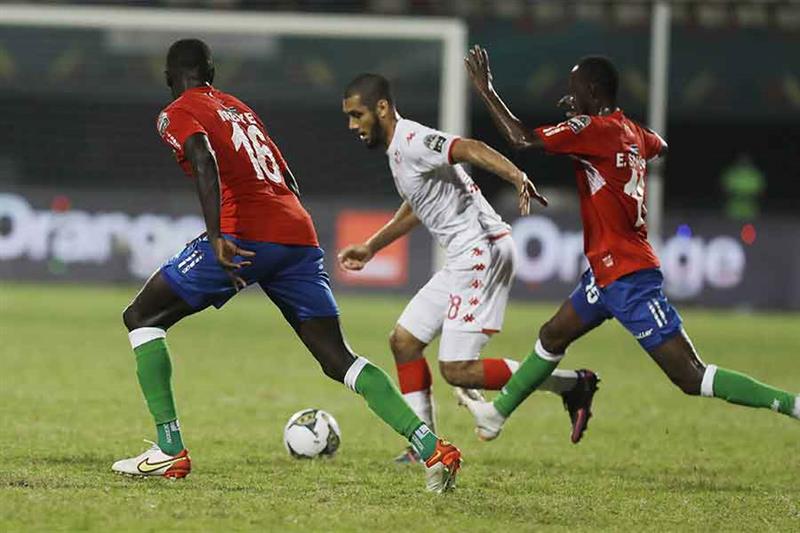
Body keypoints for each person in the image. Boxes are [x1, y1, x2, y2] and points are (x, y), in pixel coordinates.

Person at [111, 39, 461, 493]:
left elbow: (202, 157)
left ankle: (169, 450)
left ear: (168, 77)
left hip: (243, 234)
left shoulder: (175, 112)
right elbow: (286, 175)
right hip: (297, 233)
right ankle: (433, 447)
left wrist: (217, 235)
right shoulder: (240, 108)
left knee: (141, 317)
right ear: (212, 71)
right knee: (339, 359)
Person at [457, 46, 799, 440]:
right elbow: (660, 146)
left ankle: (792, 403)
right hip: (604, 274)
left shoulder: (593, 130)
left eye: (573, 89)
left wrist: (485, 90)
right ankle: (496, 415)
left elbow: (520, 138)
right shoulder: (630, 132)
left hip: (627, 277)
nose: (568, 97)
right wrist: (618, 143)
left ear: (593, 91)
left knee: (691, 376)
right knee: (553, 334)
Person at [339, 73, 600, 462]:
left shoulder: (412, 140)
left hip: (482, 251)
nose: (352, 125)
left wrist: (516, 176)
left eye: (357, 114)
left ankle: (571, 386)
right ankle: (421, 445)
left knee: (458, 370)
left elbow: (469, 147)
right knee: (404, 341)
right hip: (464, 256)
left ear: (381, 108)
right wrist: (373, 246)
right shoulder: (397, 151)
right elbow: (418, 204)